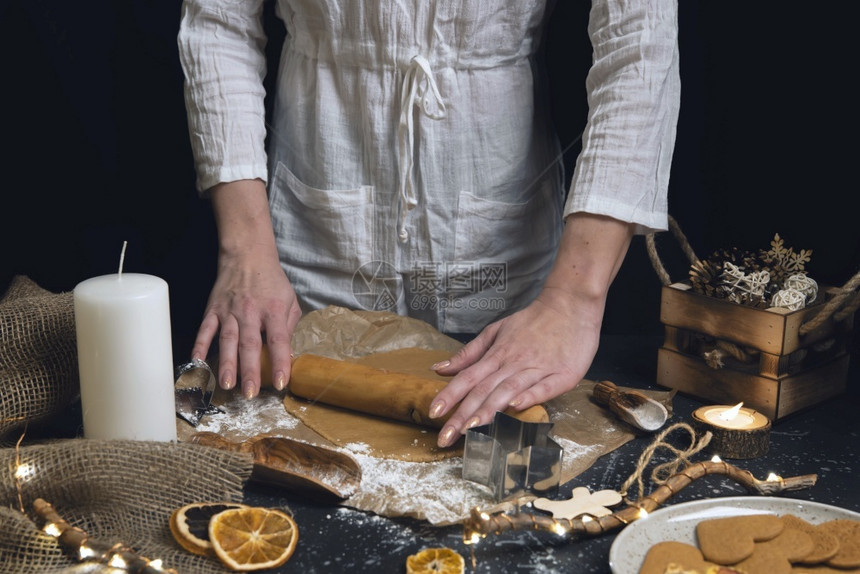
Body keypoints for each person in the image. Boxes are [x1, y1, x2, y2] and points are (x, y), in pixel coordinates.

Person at [178, 0, 680, 448]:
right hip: (313, 248)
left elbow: (638, 51)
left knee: (509, 443)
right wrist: (245, 251)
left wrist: (574, 299)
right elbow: (220, 24)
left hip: (506, 256)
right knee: (297, 433)